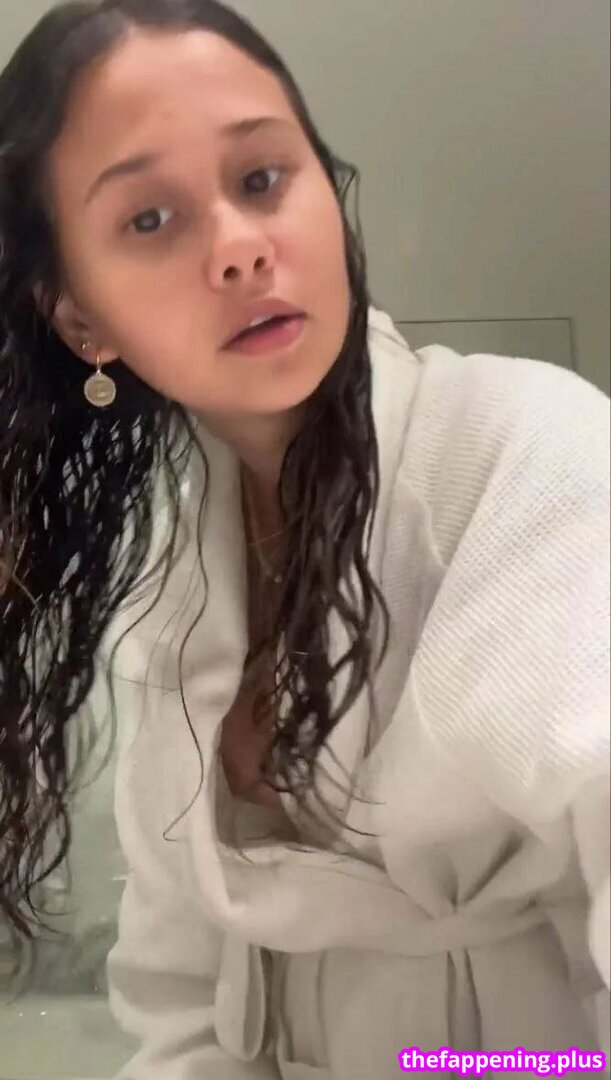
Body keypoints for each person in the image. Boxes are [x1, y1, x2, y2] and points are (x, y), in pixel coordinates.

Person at [0, 1, 608, 1077]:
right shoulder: (172, 566)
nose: (241, 247)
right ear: (80, 319)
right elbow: (173, 977)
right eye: (150, 218)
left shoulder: (535, 451)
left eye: (261, 178)